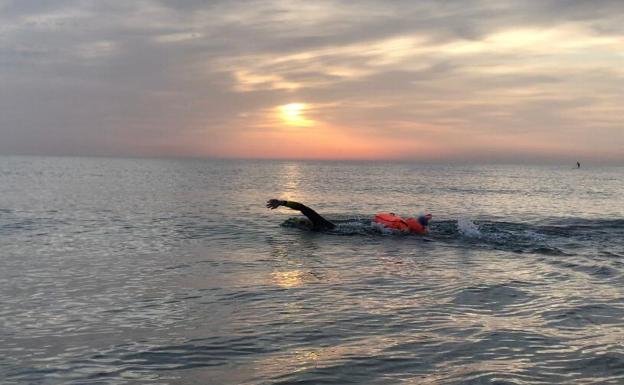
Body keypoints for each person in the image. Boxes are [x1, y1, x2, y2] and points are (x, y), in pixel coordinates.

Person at [266, 199, 432, 234]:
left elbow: (304, 209)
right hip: (360, 229)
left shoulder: (322, 225)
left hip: (358, 232)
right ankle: (416, 224)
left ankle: (413, 226)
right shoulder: (323, 226)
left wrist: (282, 202)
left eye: (304, 222)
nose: (304, 221)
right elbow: (305, 211)